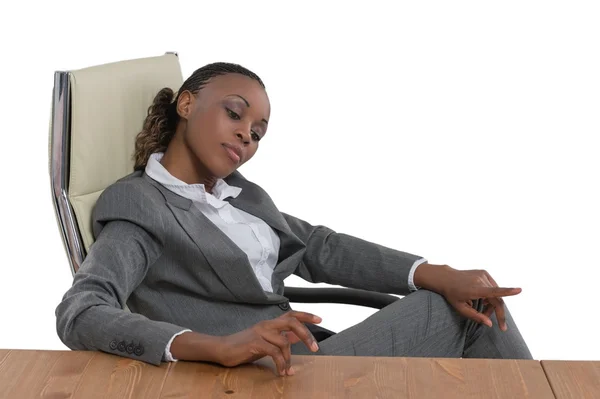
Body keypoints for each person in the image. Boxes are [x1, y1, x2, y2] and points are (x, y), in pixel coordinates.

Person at [55, 62, 532, 376]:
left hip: (305, 355)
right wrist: (211, 347)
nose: (246, 135)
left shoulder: (240, 196)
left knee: (468, 302)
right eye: (234, 114)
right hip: (258, 376)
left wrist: (432, 271)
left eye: (258, 132)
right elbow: (81, 312)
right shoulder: (140, 204)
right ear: (186, 104)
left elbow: (319, 247)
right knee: (453, 314)